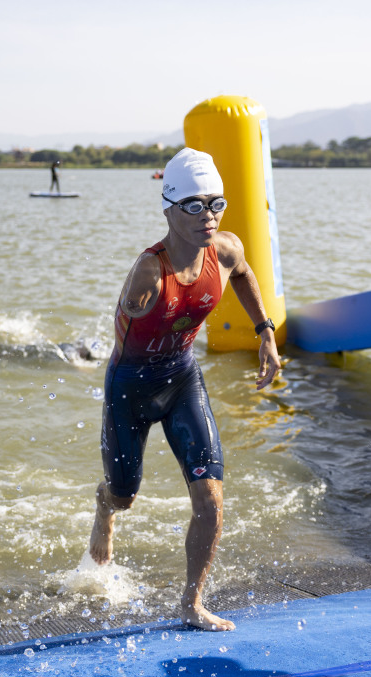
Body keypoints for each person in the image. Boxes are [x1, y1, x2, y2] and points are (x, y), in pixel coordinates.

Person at [89, 147, 281, 632]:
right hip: (131, 387)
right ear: (169, 209)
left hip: (181, 379)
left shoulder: (227, 249)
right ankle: (104, 506)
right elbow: (122, 337)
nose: (208, 216)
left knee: (211, 499)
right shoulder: (148, 275)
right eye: (193, 206)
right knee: (124, 494)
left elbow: (243, 274)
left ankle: (191, 603)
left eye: (216, 203)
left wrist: (264, 332)